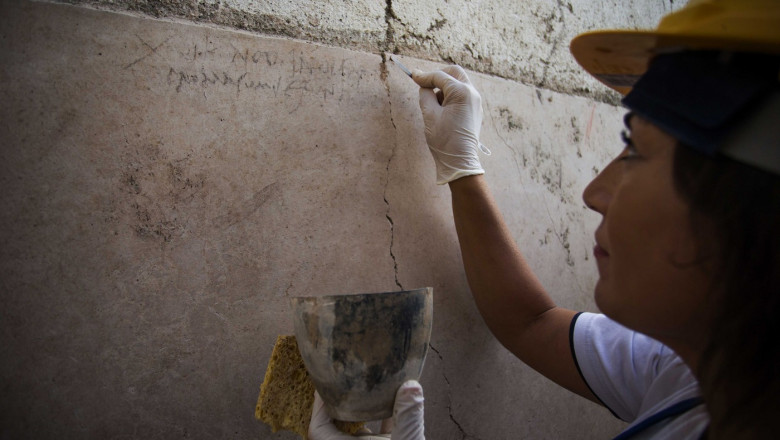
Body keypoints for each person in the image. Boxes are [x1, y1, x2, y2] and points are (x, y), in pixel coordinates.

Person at [309, 0, 780, 438]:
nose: (594, 193)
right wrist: (462, 167)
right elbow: (531, 323)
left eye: (635, 152)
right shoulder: (690, 368)